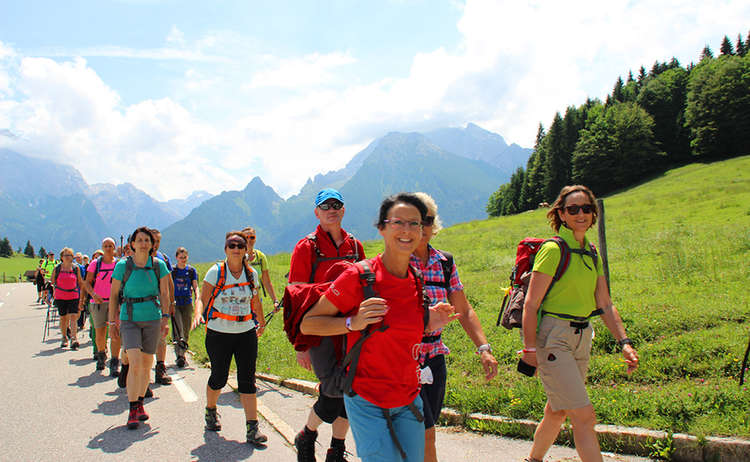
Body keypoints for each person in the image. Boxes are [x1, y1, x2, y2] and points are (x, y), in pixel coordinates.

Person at [301, 193, 459, 462]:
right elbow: (309, 324)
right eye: (398, 222)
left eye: (415, 223)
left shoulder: (416, 278)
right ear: (382, 228)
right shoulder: (359, 277)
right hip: (367, 399)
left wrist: (430, 319)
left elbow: (401, 326)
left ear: (423, 231)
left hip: (409, 398)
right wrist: (353, 322)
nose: (407, 230)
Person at [521, 185, 639, 462]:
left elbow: (606, 304)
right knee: (584, 415)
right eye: (572, 209)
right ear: (561, 214)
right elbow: (531, 303)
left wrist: (624, 342)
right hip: (554, 337)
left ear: (594, 213)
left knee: (558, 409)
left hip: (583, 335)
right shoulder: (553, 249)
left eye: (586, 208)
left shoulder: (591, 252)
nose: (580, 214)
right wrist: (529, 348)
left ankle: (532, 460)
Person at [409, 192, 499, 462]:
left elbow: (465, 309)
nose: (422, 227)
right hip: (404, 358)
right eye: (414, 221)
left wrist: (483, 348)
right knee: (424, 432)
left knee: (428, 425)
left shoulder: (444, 263)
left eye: (427, 220)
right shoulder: (394, 264)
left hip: (435, 358)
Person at [288, 188, 366, 462]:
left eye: (337, 205)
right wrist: (300, 344)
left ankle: (336, 450)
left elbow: (364, 285)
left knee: (350, 391)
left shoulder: (355, 246)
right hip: (319, 331)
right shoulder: (306, 247)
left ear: (343, 210)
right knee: (332, 392)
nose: (332, 209)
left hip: (351, 328)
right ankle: (306, 435)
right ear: (317, 212)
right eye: (326, 206)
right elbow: (296, 296)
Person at [200, 231, 267, 446]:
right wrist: (197, 316)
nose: (237, 249)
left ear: (246, 249)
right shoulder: (215, 272)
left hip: (245, 332)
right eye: (232, 245)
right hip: (218, 333)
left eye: (240, 245)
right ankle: (211, 410)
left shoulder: (251, 275)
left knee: (247, 380)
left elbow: (255, 301)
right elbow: (202, 299)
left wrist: (261, 321)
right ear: (225, 249)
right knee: (219, 376)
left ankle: (252, 428)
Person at [109, 227, 171, 429]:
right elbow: (113, 295)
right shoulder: (122, 266)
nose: (144, 243)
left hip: (152, 318)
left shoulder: (158, 265)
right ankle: (133, 407)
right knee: (135, 363)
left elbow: (164, 293)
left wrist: (165, 318)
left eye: (147, 240)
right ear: (132, 244)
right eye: (140, 240)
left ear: (152, 244)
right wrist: (112, 321)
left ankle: (140, 404)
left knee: (146, 365)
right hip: (130, 318)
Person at [80, 238, 121, 374]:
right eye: (106, 246)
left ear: (114, 247)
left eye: (110, 246)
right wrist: (93, 294)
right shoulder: (95, 264)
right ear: (102, 247)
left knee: (115, 332)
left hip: (115, 302)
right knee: (100, 332)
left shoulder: (119, 264)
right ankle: (101, 355)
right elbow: (87, 283)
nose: (108, 248)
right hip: (98, 302)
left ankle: (114, 361)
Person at [150, 228, 175, 386]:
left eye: (158, 241)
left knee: (161, 338)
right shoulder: (136, 258)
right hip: (141, 303)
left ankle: (160, 368)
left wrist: (171, 302)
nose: (156, 244)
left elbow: (169, 282)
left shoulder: (163, 258)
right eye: (154, 240)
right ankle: (130, 369)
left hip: (160, 303)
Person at [171, 247, 198, 368]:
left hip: (187, 302)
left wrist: (198, 296)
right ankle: (180, 355)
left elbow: (195, 285)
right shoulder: (172, 270)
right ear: (176, 257)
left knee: (186, 329)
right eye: (180, 257)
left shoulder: (191, 271)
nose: (183, 259)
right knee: (178, 328)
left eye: (185, 257)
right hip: (175, 303)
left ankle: (183, 352)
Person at [53, 248, 86, 349]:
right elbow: (53, 281)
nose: (68, 257)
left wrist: (82, 298)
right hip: (60, 297)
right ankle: (64, 337)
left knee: (73, 317)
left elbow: (80, 283)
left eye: (70, 255)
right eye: (66, 255)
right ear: (62, 257)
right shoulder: (57, 268)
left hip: (73, 296)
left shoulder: (76, 269)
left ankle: (74, 338)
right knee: (63, 317)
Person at [243, 226, 280, 311]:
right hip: (239, 299)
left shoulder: (260, 257)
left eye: (252, 237)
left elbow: (266, 281)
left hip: (256, 298)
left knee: (257, 323)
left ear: (255, 239)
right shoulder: (236, 255)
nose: (249, 240)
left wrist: (275, 301)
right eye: (246, 237)